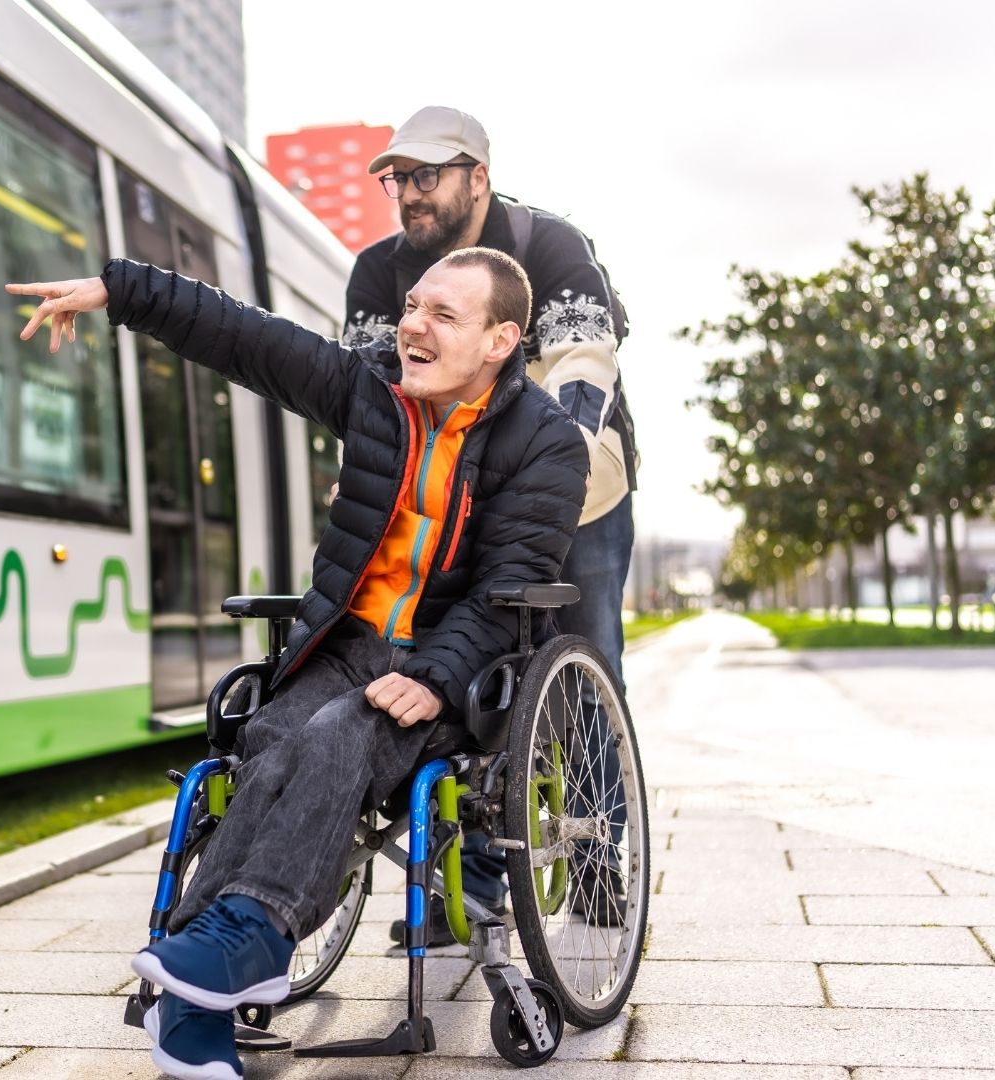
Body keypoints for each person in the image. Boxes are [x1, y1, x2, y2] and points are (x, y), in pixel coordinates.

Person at [6, 248, 587, 1080]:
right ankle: (209, 976)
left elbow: (510, 588)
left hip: (454, 668)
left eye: (442, 317)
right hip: (347, 643)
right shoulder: (374, 389)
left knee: (342, 732)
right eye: (413, 306)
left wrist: (433, 677)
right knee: (273, 732)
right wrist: (121, 291)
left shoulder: (548, 445)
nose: (413, 326)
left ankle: (241, 942)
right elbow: (249, 339)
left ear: (500, 341)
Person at [346, 106, 638, 928]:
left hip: (581, 492)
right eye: (397, 178)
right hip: (449, 500)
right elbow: (370, 396)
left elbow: (584, 365)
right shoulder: (378, 274)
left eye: (426, 175)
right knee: (463, 666)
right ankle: (470, 880)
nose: (409, 194)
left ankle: (593, 854)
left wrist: (554, 466)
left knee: (586, 669)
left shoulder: (551, 246)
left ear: (479, 176)